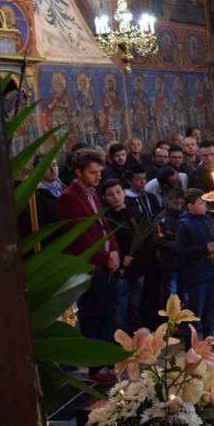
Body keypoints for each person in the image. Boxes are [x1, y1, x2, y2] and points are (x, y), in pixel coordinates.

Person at [57, 151, 121, 368]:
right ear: (78, 172)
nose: (98, 176)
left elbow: (104, 225)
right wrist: (105, 257)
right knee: (93, 316)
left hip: (105, 263)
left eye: (99, 172)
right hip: (90, 266)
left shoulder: (92, 193)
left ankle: (108, 360)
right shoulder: (68, 197)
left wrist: (115, 250)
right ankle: (95, 367)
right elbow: (79, 235)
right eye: (93, 172)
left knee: (108, 314)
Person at [102, 178, 155, 334]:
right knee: (120, 305)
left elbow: (147, 239)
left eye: (118, 192)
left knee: (136, 304)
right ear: (104, 198)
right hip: (119, 270)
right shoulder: (105, 218)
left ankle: (136, 336)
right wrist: (121, 257)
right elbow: (107, 243)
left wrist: (138, 260)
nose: (116, 197)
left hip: (137, 268)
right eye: (110, 194)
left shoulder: (135, 213)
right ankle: (122, 338)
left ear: (124, 193)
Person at [176, 188, 214, 342]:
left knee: (210, 307)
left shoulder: (209, 219)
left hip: (212, 271)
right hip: (197, 274)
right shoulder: (184, 224)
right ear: (190, 206)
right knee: (195, 309)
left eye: (205, 202)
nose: (204, 205)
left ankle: (209, 335)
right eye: (200, 203)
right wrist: (204, 249)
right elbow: (182, 250)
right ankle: (192, 341)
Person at [156, 186, 185, 301]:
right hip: (169, 262)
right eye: (175, 203)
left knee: (185, 294)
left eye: (181, 203)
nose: (178, 206)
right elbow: (159, 241)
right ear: (168, 201)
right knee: (171, 293)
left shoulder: (185, 216)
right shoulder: (161, 218)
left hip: (184, 262)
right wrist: (177, 245)